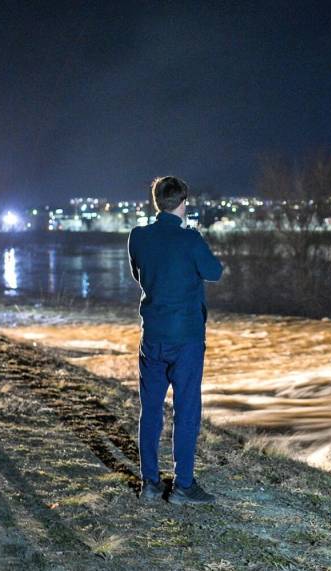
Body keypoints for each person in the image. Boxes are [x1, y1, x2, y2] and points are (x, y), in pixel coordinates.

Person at [128, 176, 223, 505]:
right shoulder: (191, 240)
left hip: (152, 335)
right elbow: (215, 271)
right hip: (186, 339)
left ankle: (150, 484)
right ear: (183, 203)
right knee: (186, 411)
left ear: (157, 202)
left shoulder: (138, 237)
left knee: (150, 411)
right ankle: (183, 485)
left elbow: (138, 274)